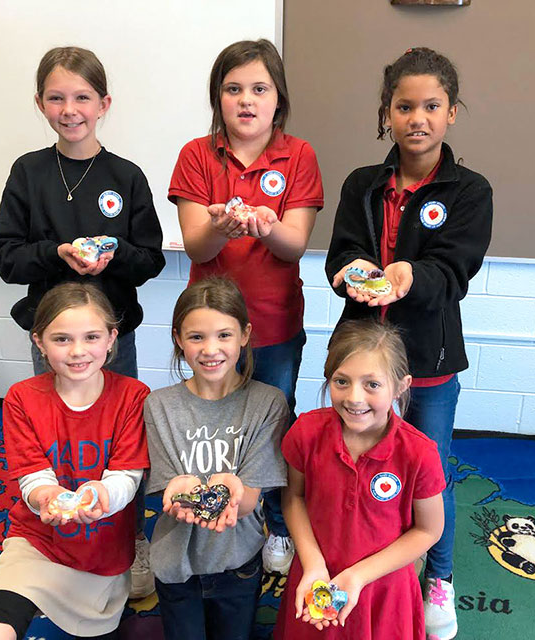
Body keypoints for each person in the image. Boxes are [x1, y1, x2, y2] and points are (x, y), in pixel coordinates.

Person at [324, 47, 493, 640]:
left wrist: (407, 276)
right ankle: (346, 555)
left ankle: (438, 576)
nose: (417, 117)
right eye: (404, 106)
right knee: (350, 461)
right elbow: (340, 255)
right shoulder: (362, 184)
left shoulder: (470, 190)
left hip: (428, 359)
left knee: (431, 469)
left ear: (451, 113)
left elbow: (455, 273)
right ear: (386, 113)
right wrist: (351, 271)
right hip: (360, 353)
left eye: (431, 106)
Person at [0, 46, 165, 598]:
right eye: (57, 97)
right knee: (53, 437)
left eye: (82, 97)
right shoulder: (28, 172)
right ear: (40, 103)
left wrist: (114, 259)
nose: (70, 109)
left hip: (113, 335)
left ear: (103, 103)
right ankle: (54, 527)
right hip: (54, 337)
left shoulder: (125, 175)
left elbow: (152, 257)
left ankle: (129, 540)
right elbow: (4, 255)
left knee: (119, 444)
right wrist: (55, 254)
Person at [168, 39, 324, 574]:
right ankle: (212, 507)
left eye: (259, 89)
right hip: (210, 327)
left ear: (278, 98)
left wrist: (266, 223)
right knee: (213, 420)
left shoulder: (299, 154)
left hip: (275, 322)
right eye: (233, 89)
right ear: (218, 98)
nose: (246, 100)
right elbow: (196, 246)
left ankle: (274, 524)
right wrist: (219, 225)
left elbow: (295, 244)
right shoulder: (196, 153)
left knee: (272, 419)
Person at [0, 283, 150, 640]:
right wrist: (46, 497)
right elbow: (32, 476)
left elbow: (127, 477)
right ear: (39, 342)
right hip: (39, 538)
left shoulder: (133, 396)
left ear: (112, 338)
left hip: (104, 545)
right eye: (62, 339)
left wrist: (100, 495)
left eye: (91, 337)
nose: (78, 351)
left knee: (98, 629)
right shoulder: (22, 398)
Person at [274, 320, 445, 640]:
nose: (354, 397)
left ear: (401, 385)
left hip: (383, 587)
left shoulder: (419, 453)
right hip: (317, 575)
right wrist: (312, 563)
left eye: (372, 384)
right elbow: (294, 498)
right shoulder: (307, 433)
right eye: (341, 381)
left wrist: (359, 575)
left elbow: (429, 529)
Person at [144, 277, 288, 640]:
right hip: (176, 565)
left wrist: (223, 494)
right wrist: (182, 493)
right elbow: (169, 493)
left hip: (237, 564)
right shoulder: (158, 405)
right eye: (197, 337)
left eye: (224, 335)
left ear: (245, 334)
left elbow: (248, 501)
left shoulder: (268, 403)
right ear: (178, 338)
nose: (211, 349)